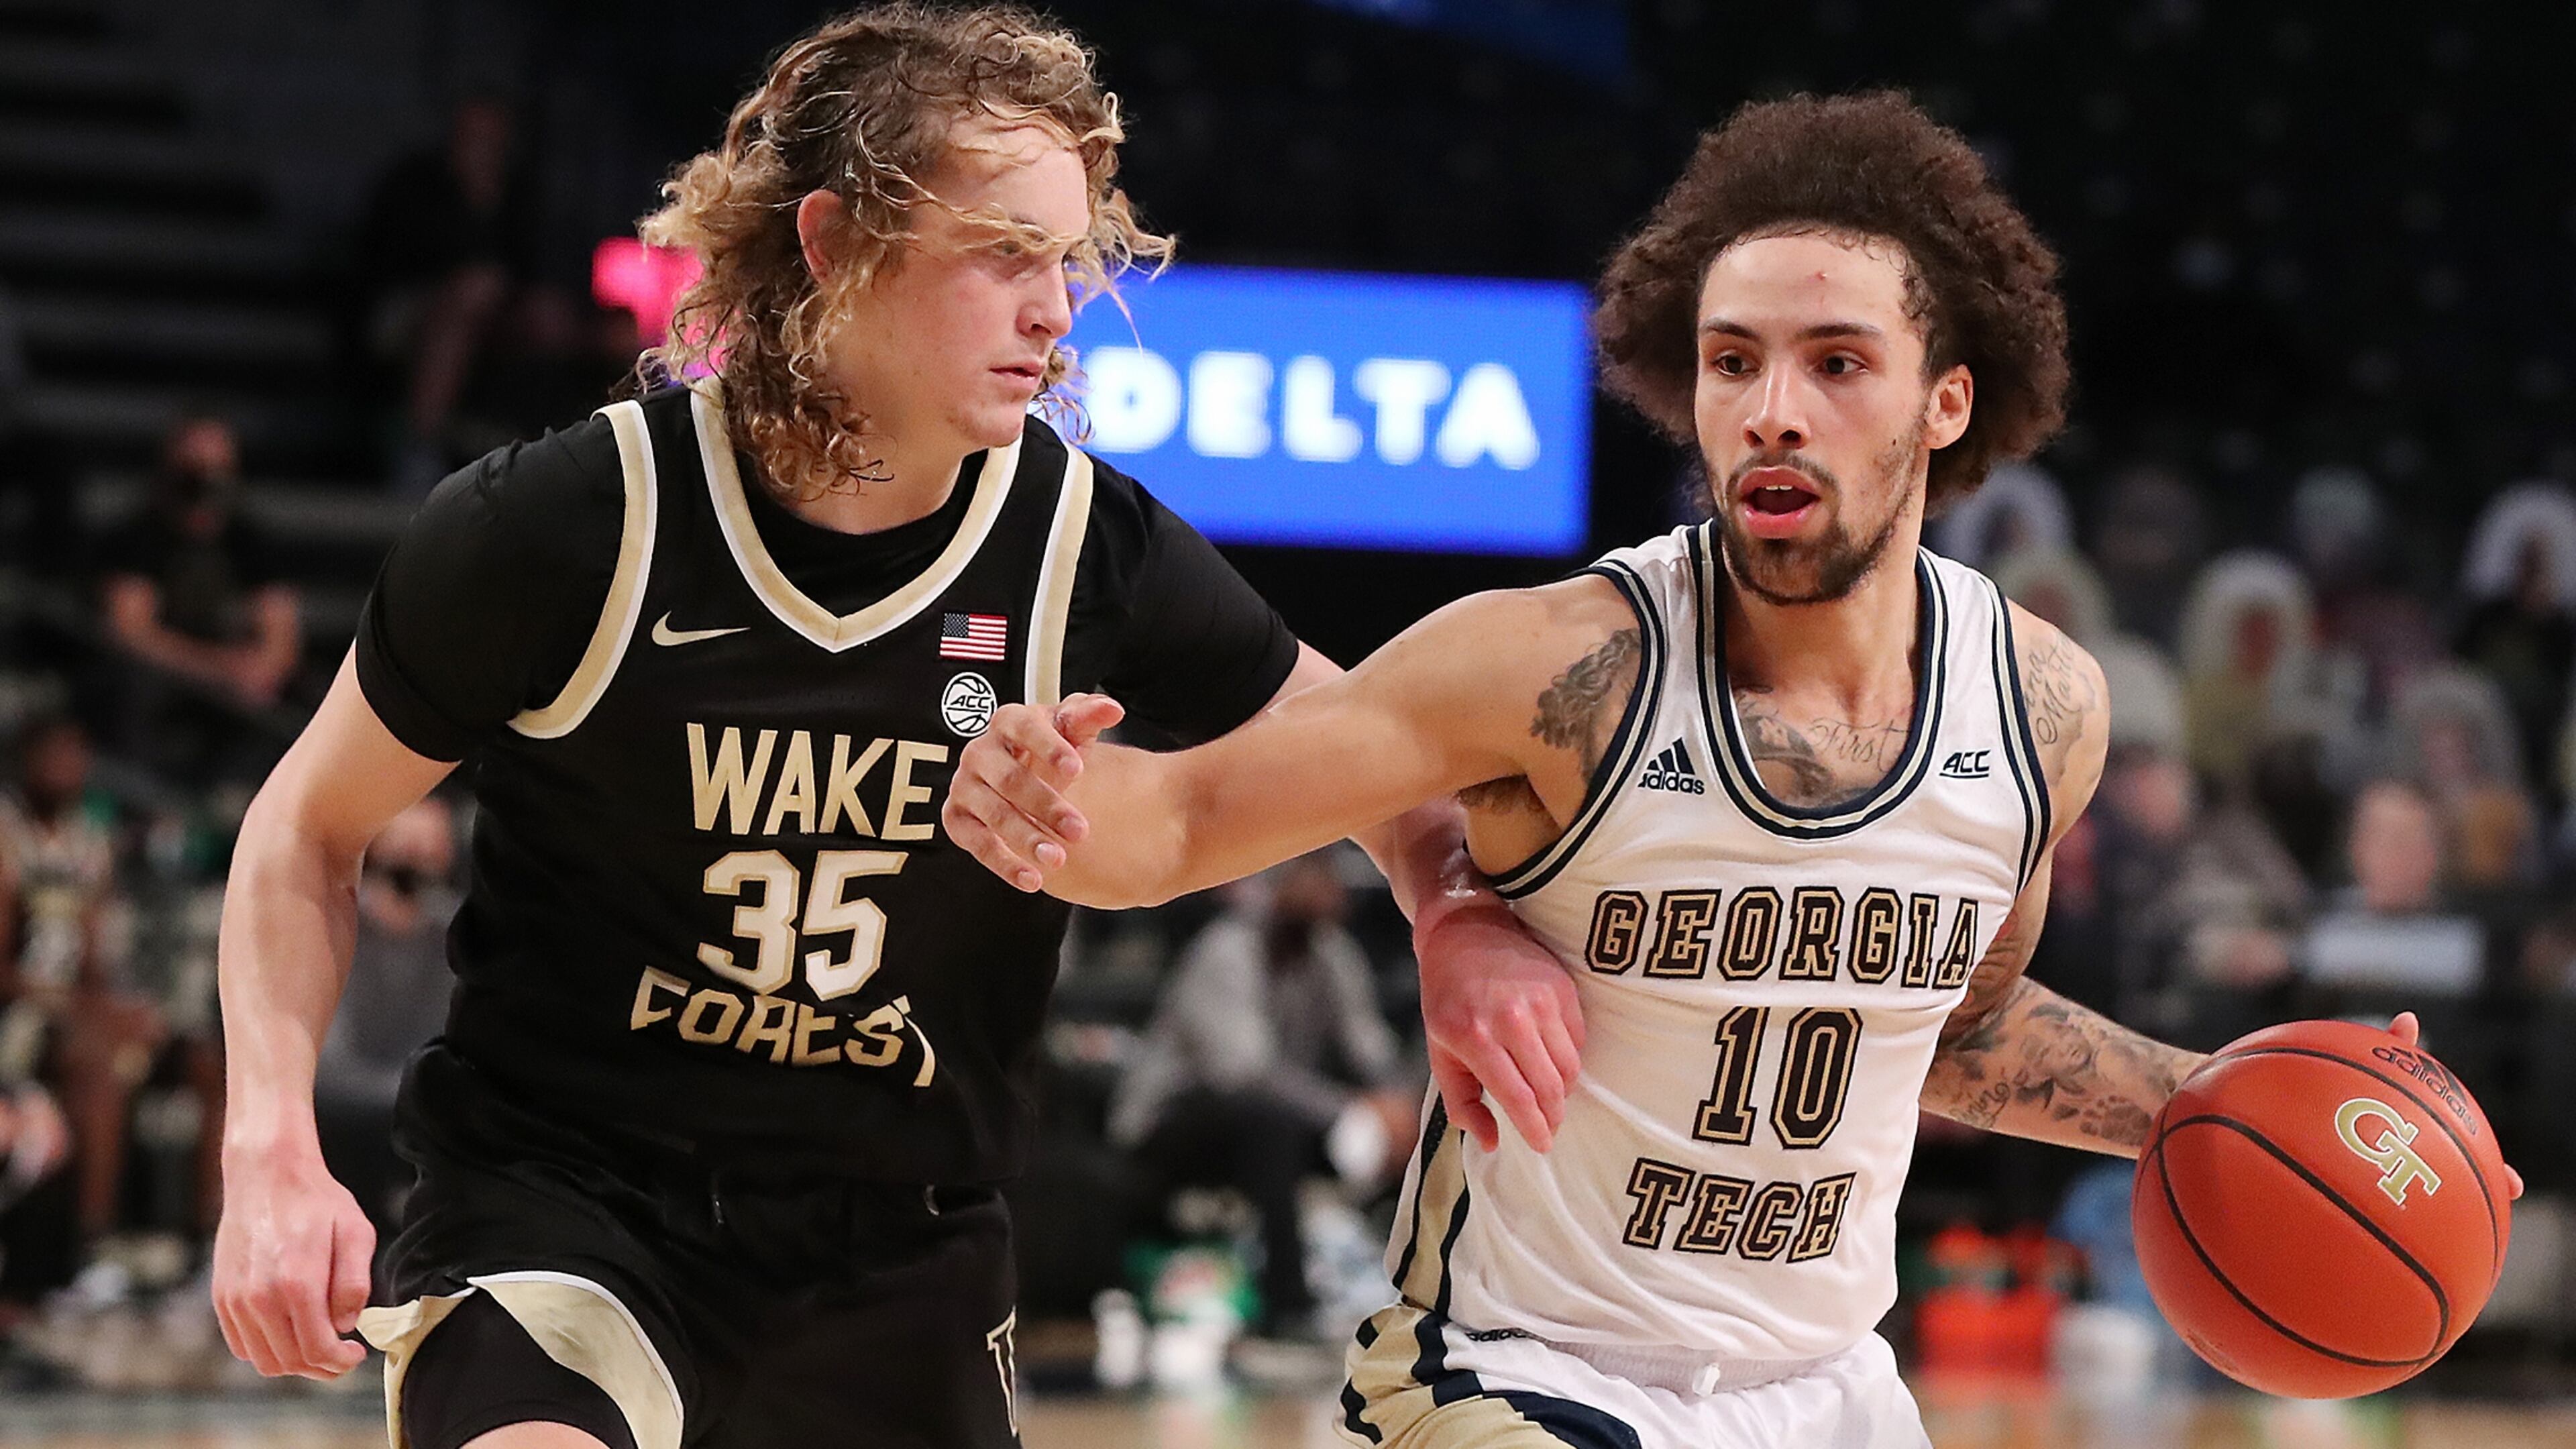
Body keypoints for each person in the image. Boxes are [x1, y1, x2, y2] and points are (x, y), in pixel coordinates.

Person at [947, 93, 2519, 1447]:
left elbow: (1951, 1027)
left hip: (1824, 1384)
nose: (1769, 409)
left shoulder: (2040, 704)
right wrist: (1033, 792)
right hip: (1518, 1374)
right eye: (1729, 361)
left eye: (1837, 361)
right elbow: (1178, 820)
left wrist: (2235, 1101)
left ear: (1943, 401)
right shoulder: (1559, 663)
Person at [208, 10, 1552, 1449]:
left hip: (900, 1250)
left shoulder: (1079, 546)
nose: (1055, 309)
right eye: (1003, 255)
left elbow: (1387, 756)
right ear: (836, 242)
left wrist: (1455, 914)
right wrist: (271, 1145)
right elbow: (308, 827)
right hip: (569, 1210)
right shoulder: (567, 525)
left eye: (1067, 260)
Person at [1110, 850, 1414, 1340]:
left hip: (1281, 1113)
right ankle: (1287, 1307)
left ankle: (1406, 1291)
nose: (1322, 890)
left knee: (1417, 1124)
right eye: (1308, 877)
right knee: (1269, 1122)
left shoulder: (1331, 954)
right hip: (1169, 1120)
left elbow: (1370, 1050)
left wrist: (1399, 1106)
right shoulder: (1227, 949)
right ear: (1277, 884)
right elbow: (1241, 1071)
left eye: (1327, 879)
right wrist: (1349, 1109)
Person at [311, 796, 459, 1245]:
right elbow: (330, 1063)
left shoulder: (455, 933)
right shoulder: (337, 925)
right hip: (342, 1108)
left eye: (429, 852)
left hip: (425, 1105)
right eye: (405, 850)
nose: (416, 866)